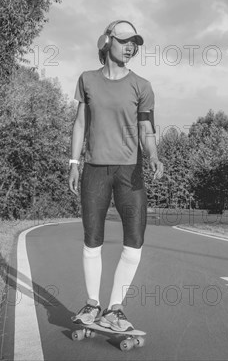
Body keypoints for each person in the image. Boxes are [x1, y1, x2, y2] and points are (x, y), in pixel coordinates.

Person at [68, 19, 163, 332]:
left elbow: (146, 128)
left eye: (134, 41)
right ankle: (92, 304)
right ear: (106, 41)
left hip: (129, 171)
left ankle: (115, 309)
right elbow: (80, 123)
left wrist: (153, 155)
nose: (130, 46)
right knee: (92, 238)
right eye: (124, 40)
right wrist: (73, 161)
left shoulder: (142, 86)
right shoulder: (87, 80)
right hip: (94, 169)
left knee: (134, 240)